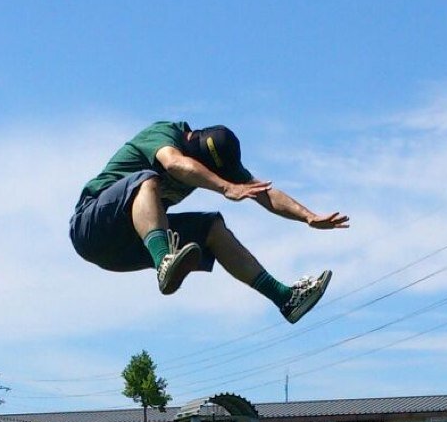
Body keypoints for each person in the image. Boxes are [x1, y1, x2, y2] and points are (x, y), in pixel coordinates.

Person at [69, 121, 348, 322]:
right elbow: (175, 164)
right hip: (91, 226)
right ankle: (164, 260)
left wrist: (308, 216)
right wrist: (225, 188)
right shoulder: (166, 135)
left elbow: (263, 193)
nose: (211, 178)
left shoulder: (216, 164)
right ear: (195, 151)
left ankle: (284, 299)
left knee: (212, 228)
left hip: (123, 249)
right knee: (147, 180)